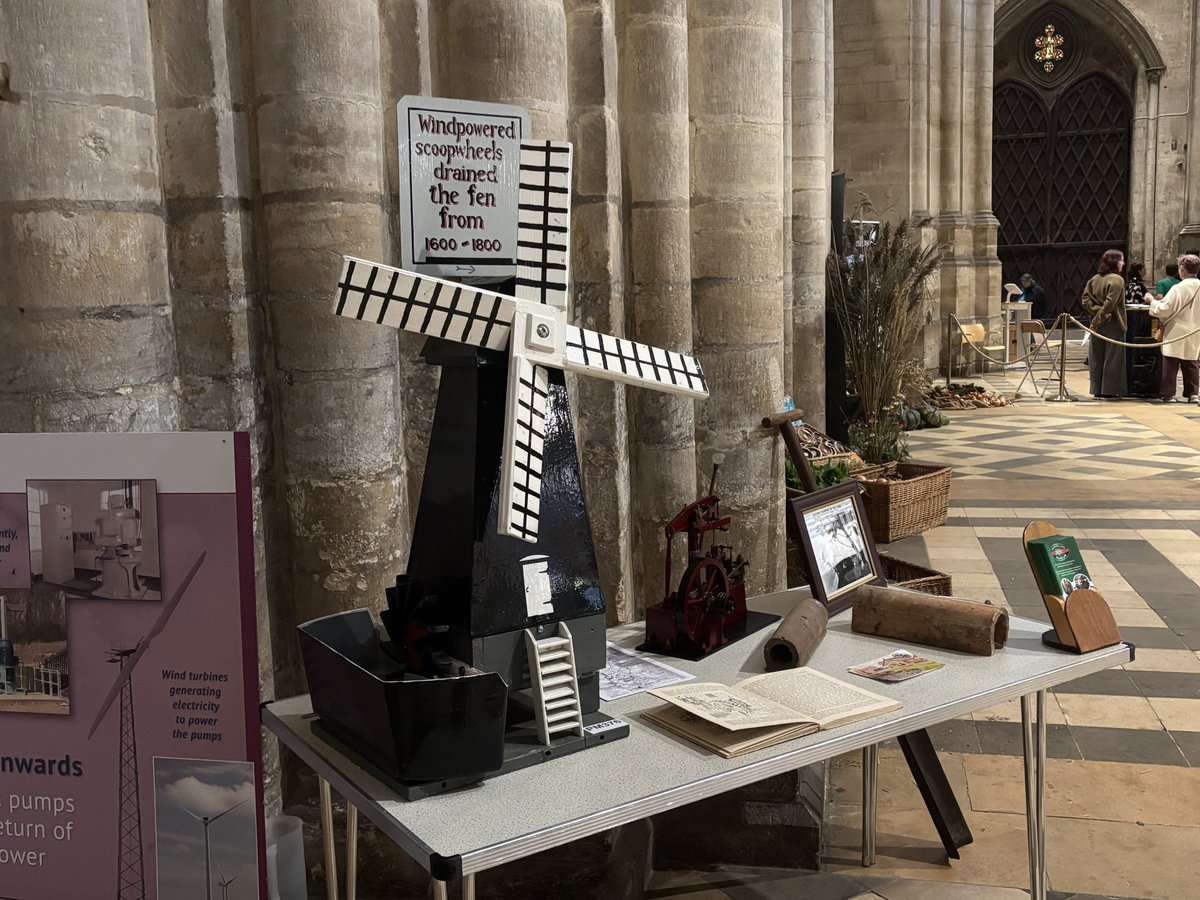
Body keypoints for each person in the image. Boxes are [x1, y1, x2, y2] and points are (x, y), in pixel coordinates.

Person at [1149, 254, 1200, 402]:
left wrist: (1151, 302)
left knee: (1171, 362)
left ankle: (1169, 394)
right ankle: (1193, 394)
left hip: (1176, 329)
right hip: (1195, 329)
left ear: (1182, 269)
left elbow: (1164, 309)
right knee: (1192, 362)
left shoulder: (1178, 288)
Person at [1079, 249, 1128, 399]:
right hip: (1113, 322)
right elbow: (1110, 304)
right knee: (1113, 358)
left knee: (1096, 357)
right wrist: (1100, 317)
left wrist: (1096, 315)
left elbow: (1085, 301)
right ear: (1114, 262)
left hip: (1097, 324)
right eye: (1121, 260)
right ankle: (1110, 390)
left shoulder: (1094, 279)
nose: (1123, 263)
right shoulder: (1117, 280)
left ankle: (1097, 389)